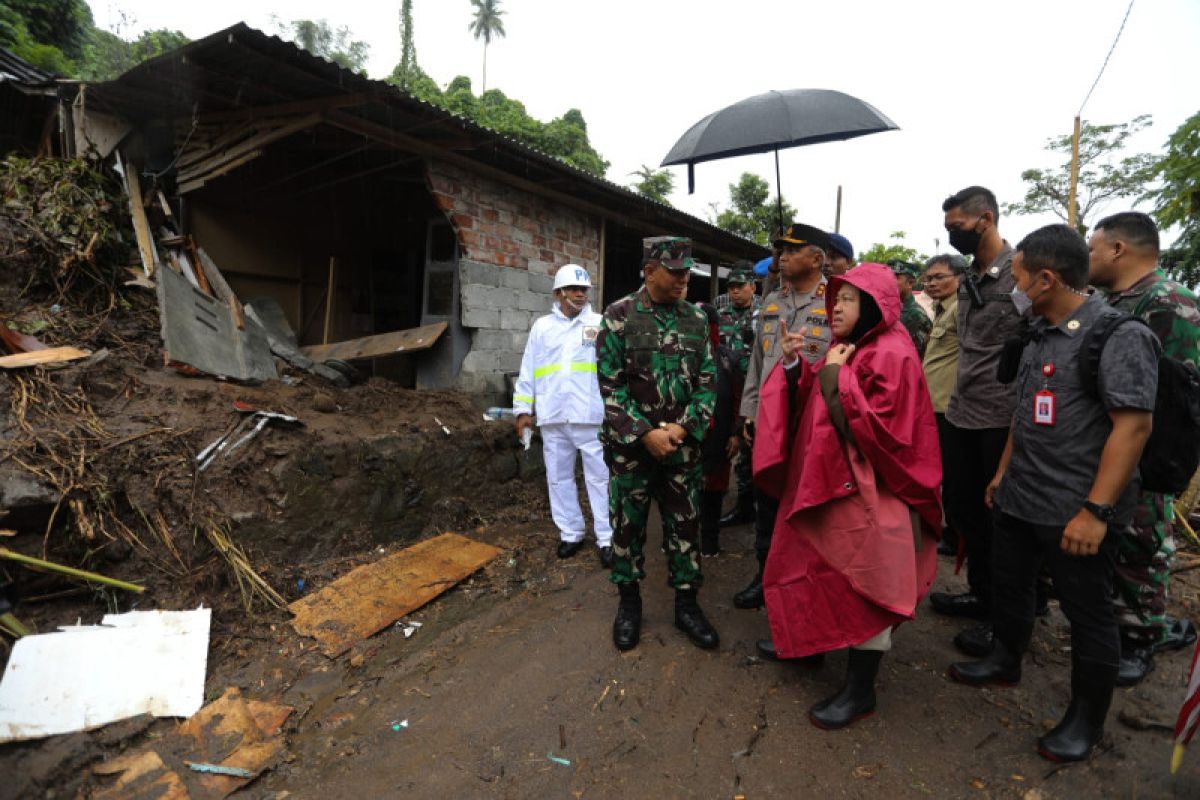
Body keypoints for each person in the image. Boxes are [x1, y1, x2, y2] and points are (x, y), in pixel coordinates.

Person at [949, 224, 1159, 763]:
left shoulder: (1116, 335)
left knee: (1088, 614)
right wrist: (1002, 472)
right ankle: (1005, 658)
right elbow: (1026, 409)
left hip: (1076, 508)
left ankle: (1084, 720)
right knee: (1011, 585)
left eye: (1017, 277)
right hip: (1022, 495)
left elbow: (1132, 427)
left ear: (1046, 279)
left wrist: (1095, 511)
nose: (1011, 286)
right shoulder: (1036, 330)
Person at [755, 262, 941, 729]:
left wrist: (835, 376)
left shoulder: (890, 353)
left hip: (874, 490)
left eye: (847, 299)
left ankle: (860, 692)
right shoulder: (854, 347)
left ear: (873, 304)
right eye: (834, 298)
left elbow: (878, 433)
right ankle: (808, 646)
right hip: (832, 482)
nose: (834, 306)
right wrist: (797, 364)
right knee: (814, 566)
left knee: (871, 581)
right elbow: (815, 401)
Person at [1089, 211, 1200, 686]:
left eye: (1093, 248)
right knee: (1119, 537)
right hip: (1110, 440)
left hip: (1149, 450)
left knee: (1143, 541)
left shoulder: (1168, 303)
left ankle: (1141, 637)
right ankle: (1118, 624)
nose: (1088, 257)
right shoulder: (1113, 300)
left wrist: (1154, 463)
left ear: (1119, 249)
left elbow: (1176, 395)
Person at [596, 236, 719, 652]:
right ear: (650, 271)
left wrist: (681, 430)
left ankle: (687, 605)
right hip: (632, 451)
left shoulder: (696, 320)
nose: (685, 278)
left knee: (685, 527)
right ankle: (629, 604)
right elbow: (610, 387)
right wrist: (645, 434)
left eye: (688, 270)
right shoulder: (618, 317)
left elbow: (707, 383)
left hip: (682, 450)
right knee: (626, 529)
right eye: (676, 270)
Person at [929, 187, 1025, 657]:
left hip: (1001, 417)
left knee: (1000, 519)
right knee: (964, 509)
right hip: (961, 411)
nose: (952, 233)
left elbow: (1039, 331)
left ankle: (1005, 618)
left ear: (985, 218)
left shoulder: (1020, 272)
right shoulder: (969, 276)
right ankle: (982, 596)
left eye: (957, 226)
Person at [736, 223, 833, 616]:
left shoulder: (837, 301)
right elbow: (758, 364)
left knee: (808, 509)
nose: (782, 257)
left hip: (813, 426)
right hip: (769, 424)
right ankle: (765, 576)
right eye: (779, 250)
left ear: (817, 258)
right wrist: (749, 410)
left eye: (792, 250)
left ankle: (803, 583)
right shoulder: (773, 300)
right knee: (767, 503)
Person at [513, 264, 613, 567]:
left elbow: (611, 369)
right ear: (558, 293)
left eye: (584, 290)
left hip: (590, 415)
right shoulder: (542, 327)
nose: (580, 295)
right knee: (558, 478)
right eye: (573, 289)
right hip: (553, 415)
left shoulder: (600, 323)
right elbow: (528, 369)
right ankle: (571, 533)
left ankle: (607, 538)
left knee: (600, 478)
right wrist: (522, 410)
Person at [921, 255, 964, 557]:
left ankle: (955, 536)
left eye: (939, 277)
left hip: (948, 407)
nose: (932, 283)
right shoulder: (942, 309)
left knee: (953, 476)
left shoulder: (961, 309)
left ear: (959, 277)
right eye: (928, 278)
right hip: (935, 405)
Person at [717, 264, 760, 528]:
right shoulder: (722, 314)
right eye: (731, 287)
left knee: (748, 451)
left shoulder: (764, 314)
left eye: (739, 286)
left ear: (753, 287)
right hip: (725, 392)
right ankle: (717, 495)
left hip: (751, 391)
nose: (734, 291)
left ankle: (747, 507)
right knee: (723, 444)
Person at [888, 260, 932, 357]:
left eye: (896, 277)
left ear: (910, 284)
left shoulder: (916, 315)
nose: (889, 281)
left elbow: (917, 356)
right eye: (888, 276)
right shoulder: (887, 308)